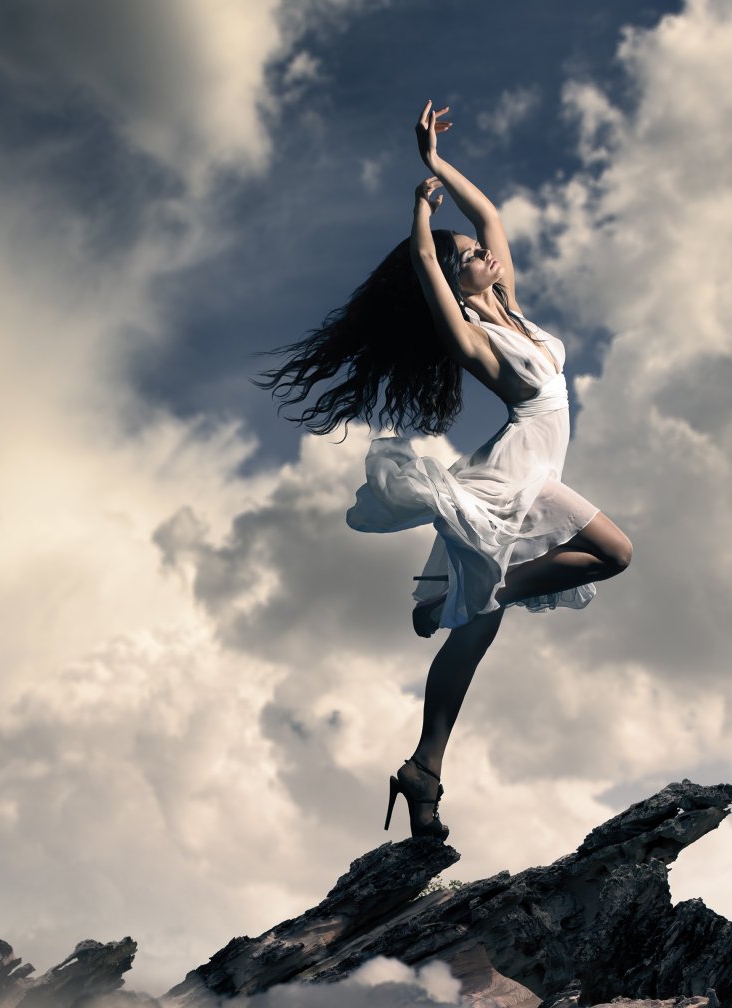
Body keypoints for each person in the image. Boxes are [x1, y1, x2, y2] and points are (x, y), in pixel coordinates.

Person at [256, 100, 632, 840]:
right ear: (457, 284)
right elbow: (427, 262)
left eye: (478, 252)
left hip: (530, 478)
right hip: (514, 479)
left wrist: (436, 164)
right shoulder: (479, 341)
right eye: (469, 258)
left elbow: (489, 216)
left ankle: (423, 769)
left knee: (477, 631)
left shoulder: (512, 307)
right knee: (613, 555)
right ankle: (482, 594)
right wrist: (421, 218)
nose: (484, 254)